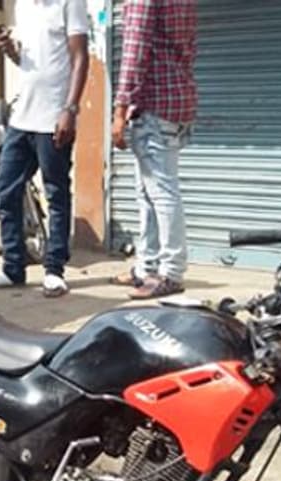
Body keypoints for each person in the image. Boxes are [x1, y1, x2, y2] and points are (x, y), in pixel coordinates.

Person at [0, 0, 89, 298]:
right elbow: (29, 61)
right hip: (22, 117)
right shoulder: (23, 6)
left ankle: (54, 270)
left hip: (53, 118)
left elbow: (79, 58)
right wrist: (11, 51)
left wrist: (70, 110)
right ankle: (13, 268)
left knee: (56, 193)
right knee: (6, 190)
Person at [109, 0, 197, 300]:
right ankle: (146, 266)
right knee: (147, 193)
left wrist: (119, 110)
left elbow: (134, 52)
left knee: (160, 191)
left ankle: (171, 272)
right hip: (177, 100)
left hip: (155, 105)